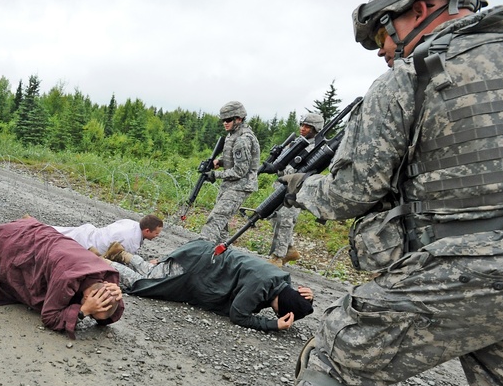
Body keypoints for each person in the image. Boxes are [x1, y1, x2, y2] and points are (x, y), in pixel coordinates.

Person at [234, 0, 503, 386]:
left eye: (384, 35)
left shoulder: (413, 78)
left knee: (338, 346)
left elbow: (351, 191)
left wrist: (302, 188)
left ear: (422, 8)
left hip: (466, 266)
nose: (383, 51)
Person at [103, 238, 314, 332]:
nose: (277, 313)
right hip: (195, 266)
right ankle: (103, 263)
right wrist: (273, 325)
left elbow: (293, 296)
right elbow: (238, 315)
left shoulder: (280, 279)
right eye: (280, 312)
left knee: (155, 273)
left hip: (202, 254)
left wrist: (306, 299)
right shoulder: (260, 287)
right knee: (145, 284)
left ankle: (121, 254)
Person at [267, 112, 324, 267]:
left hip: (296, 188)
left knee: (285, 220)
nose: (303, 128)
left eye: (307, 126)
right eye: (302, 125)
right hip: (283, 184)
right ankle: (289, 249)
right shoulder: (296, 143)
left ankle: (278, 257)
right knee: (275, 217)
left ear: (316, 129)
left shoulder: (317, 148)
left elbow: (304, 170)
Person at [199, 101, 260, 243]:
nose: (225, 123)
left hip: (240, 185)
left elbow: (240, 171)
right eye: (223, 120)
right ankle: (222, 252)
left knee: (216, 219)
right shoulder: (233, 135)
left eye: (228, 120)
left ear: (239, 119)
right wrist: (219, 162)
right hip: (231, 184)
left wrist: (215, 175)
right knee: (222, 225)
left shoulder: (243, 139)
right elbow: (233, 158)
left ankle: (201, 248)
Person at [53, 214, 164, 255]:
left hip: (90, 233)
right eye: (156, 233)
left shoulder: (130, 223)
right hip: (88, 244)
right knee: (53, 238)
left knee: (56, 231)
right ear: (147, 231)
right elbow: (125, 261)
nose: (157, 236)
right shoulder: (131, 242)